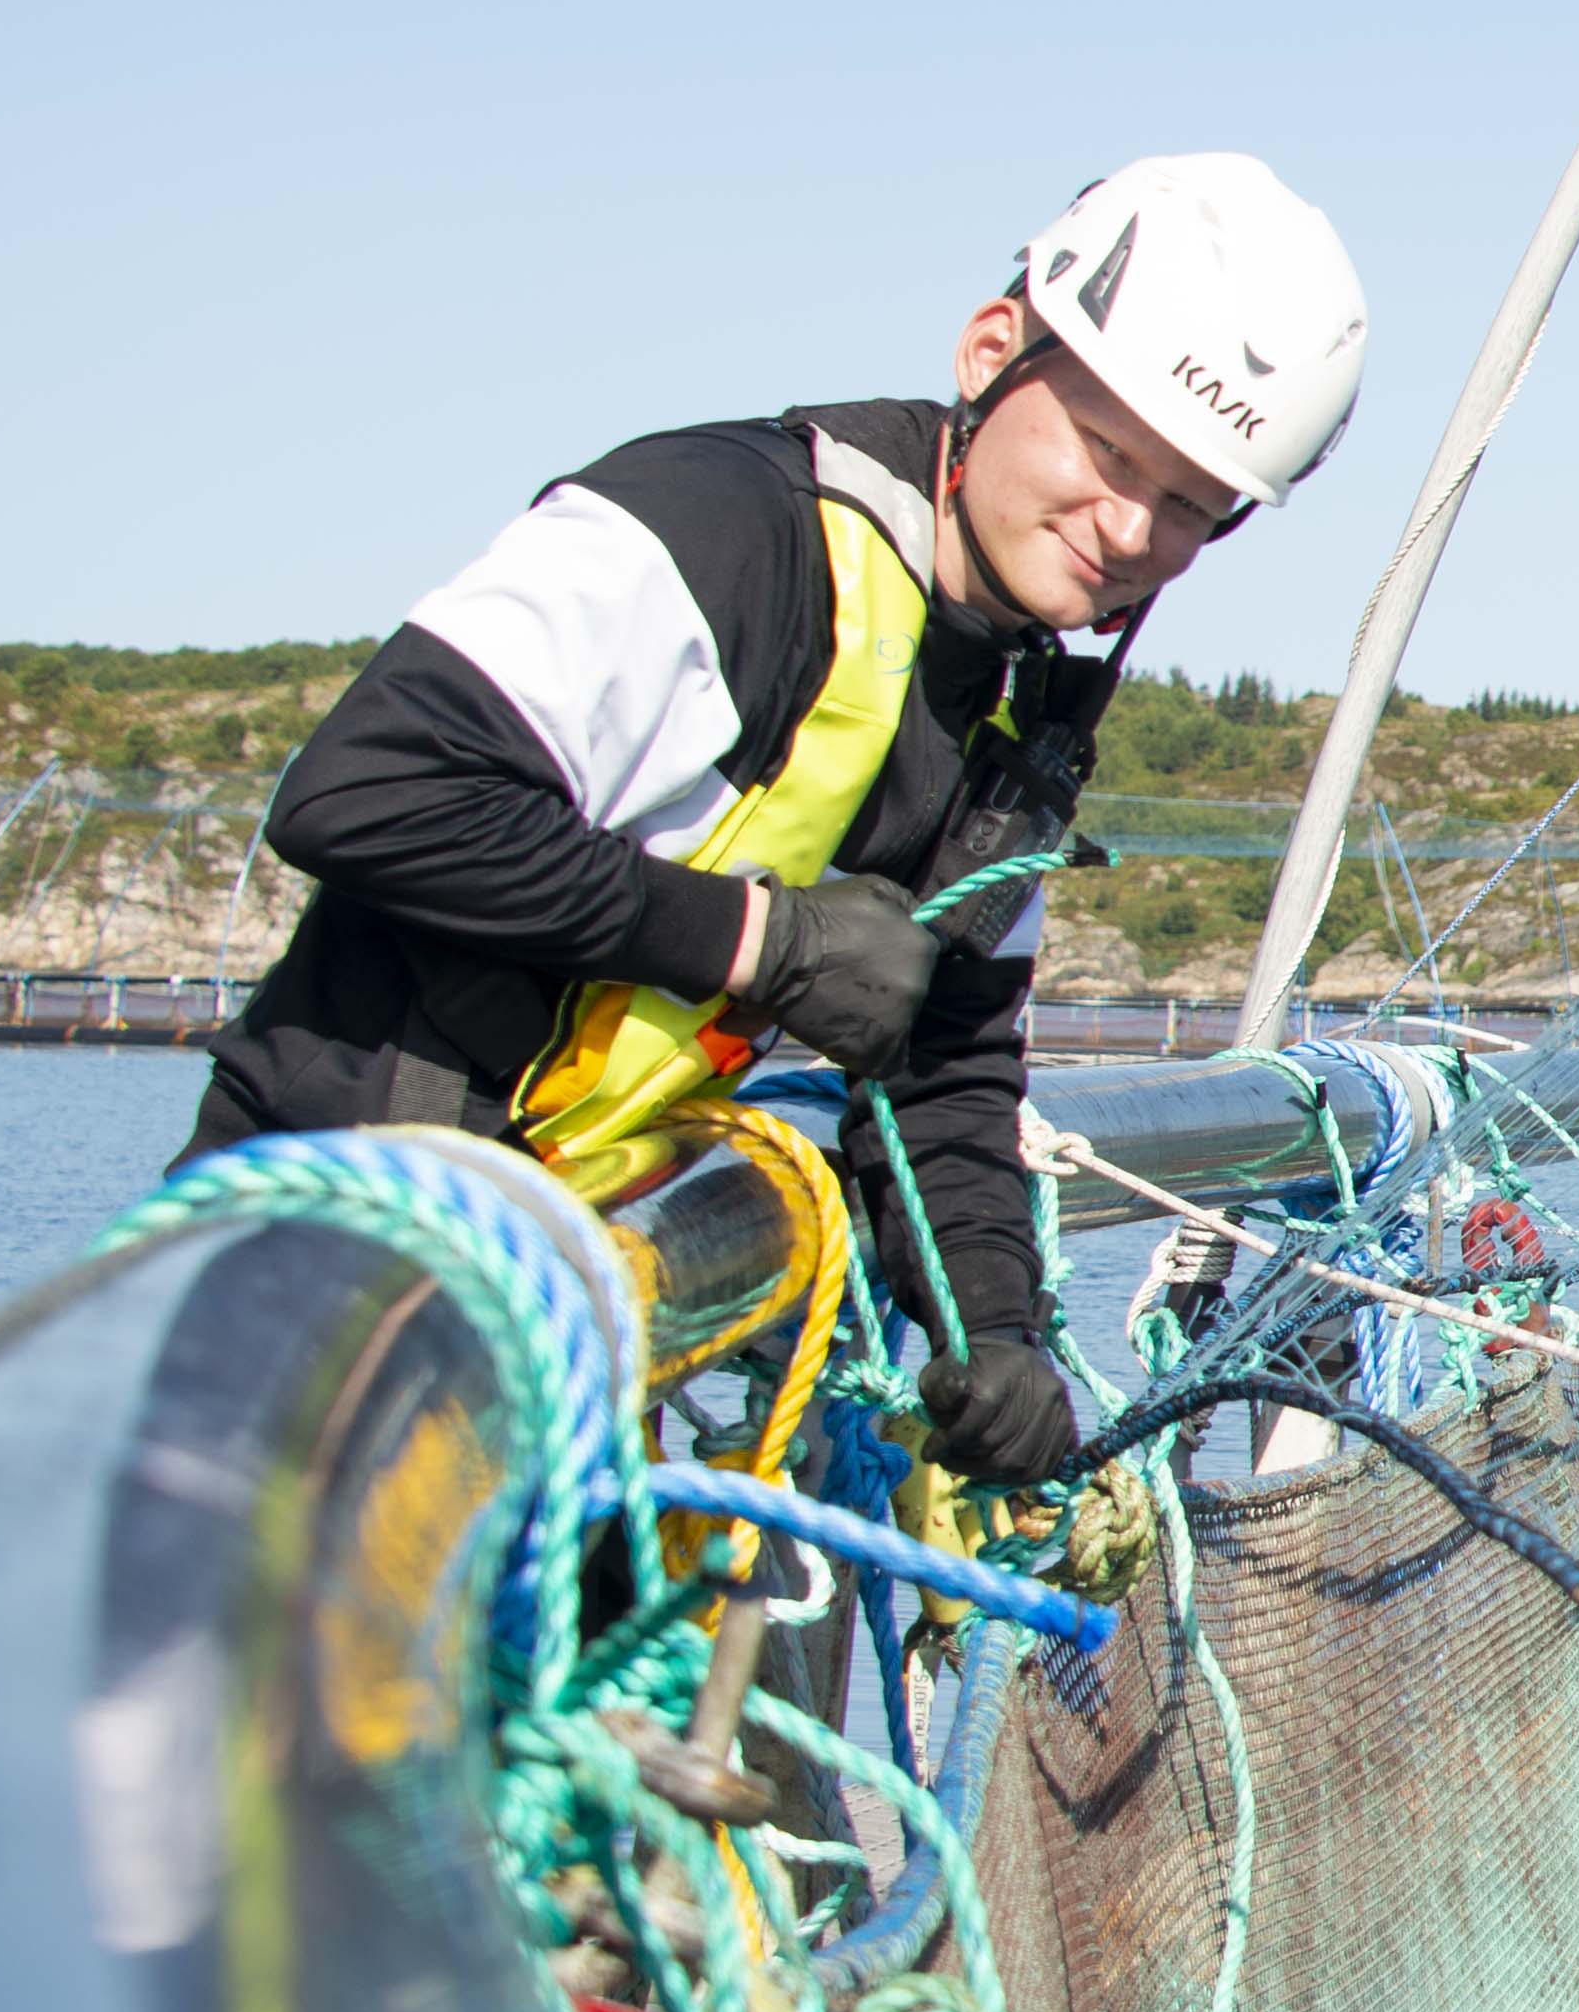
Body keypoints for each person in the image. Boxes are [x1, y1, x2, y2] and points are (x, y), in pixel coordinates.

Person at [185, 157, 1372, 1484]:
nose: (1128, 528)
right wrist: (763, 945)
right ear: (992, 352)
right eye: (1108, 454)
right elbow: (369, 791)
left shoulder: (1020, 707)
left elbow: (945, 1056)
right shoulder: (717, 533)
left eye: (1191, 510)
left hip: (561, 1303)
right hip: (326, 1267)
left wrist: (994, 1326)